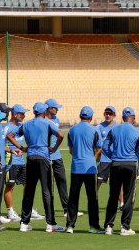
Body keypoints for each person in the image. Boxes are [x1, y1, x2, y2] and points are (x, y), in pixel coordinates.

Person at [7, 102, 65, 233]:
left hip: (31, 158)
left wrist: (22, 148)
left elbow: (10, 135)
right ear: (44, 112)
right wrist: (54, 148)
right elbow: (61, 135)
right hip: (44, 158)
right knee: (47, 191)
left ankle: (24, 223)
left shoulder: (26, 124)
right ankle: (50, 224)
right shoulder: (48, 123)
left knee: (29, 191)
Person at [103, 107, 139, 236]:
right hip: (130, 165)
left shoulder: (114, 130)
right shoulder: (138, 133)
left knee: (113, 196)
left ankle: (108, 226)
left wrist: (113, 155)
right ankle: (125, 227)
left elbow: (105, 147)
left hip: (115, 164)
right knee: (128, 197)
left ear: (122, 118)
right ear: (134, 118)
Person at [66, 106, 104, 234]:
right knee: (92, 198)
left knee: (73, 197)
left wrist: (78, 155)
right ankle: (93, 226)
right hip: (90, 168)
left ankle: (70, 226)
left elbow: (71, 150)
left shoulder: (72, 130)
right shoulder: (95, 130)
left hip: (76, 167)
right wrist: (92, 158)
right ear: (91, 117)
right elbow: (99, 148)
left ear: (79, 116)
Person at [45, 99, 81, 217]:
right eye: (55, 107)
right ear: (49, 109)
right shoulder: (43, 121)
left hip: (57, 156)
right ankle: (49, 211)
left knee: (62, 181)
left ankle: (67, 209)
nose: (57, 109)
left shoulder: (56, 120)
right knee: (48, 186)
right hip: (46, 156)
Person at [4, 104, 30, 222]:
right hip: (11, 161)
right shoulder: (6, 128)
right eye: (22, 114)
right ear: (15, 115)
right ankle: (10, 211)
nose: (24, 116)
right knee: (10, 186)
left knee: (27, 185)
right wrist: (13, 150)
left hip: (21, 161)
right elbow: (0, 145)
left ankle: (27, 209)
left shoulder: (22, 126)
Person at [96, 106, 123, 211]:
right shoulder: (98, 127)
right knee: (98, 182)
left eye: (110, 113)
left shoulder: (118, 127)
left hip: (116, 159)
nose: (108, 115)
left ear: (114, 115)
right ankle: (94, 201)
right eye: (106, 113)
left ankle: (121, 204)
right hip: (103, 160)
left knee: (118, 183)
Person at [0, 103, 13, 224]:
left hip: (2, 162)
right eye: (6, 111)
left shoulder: (0, 125)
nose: (8, 113)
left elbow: (1, 145)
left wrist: (10, 150)